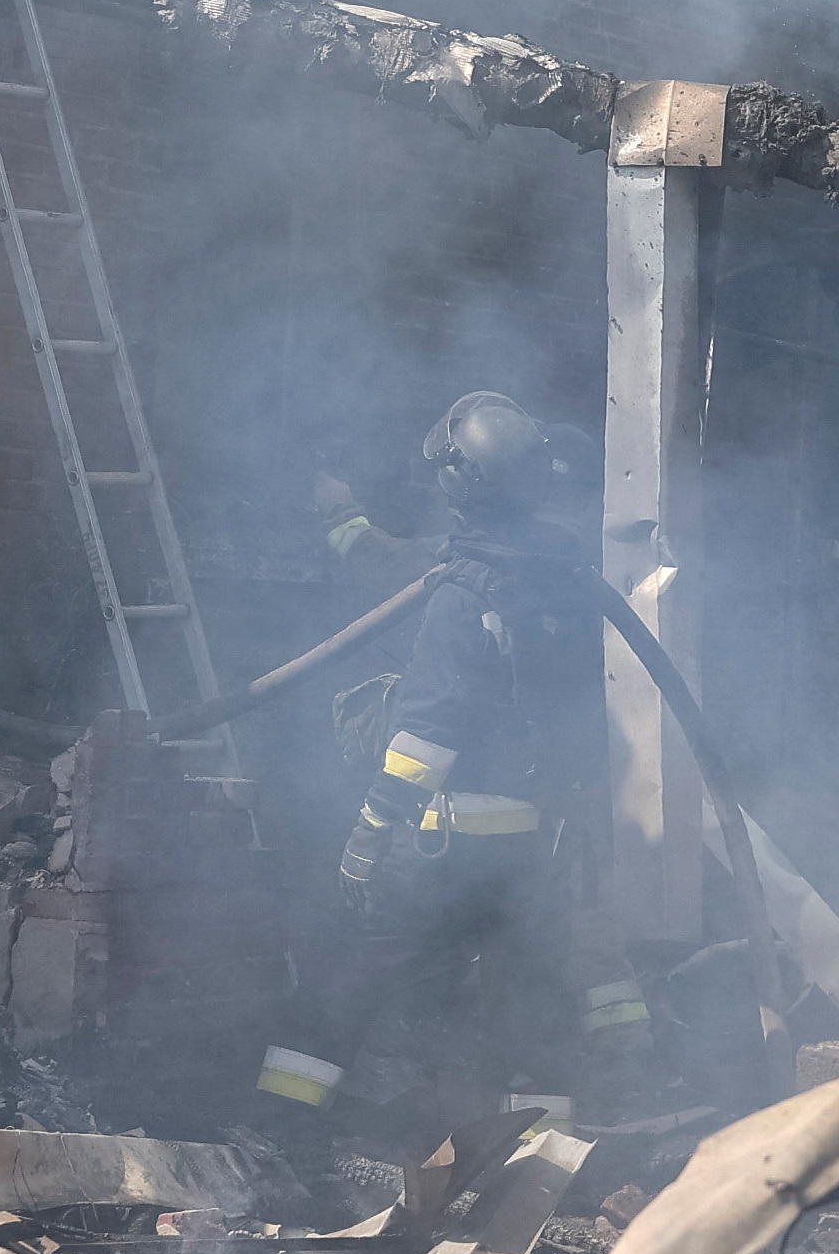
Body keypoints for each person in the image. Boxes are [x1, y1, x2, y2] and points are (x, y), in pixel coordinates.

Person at [262, 392, 657, 1126]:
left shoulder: (462, 591)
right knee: (528, 1001)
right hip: (528, 847)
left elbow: (426, 731)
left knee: (345, 976)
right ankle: (536, 1152)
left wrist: (370, 832)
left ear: (457, 483)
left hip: (439, 846)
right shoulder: (565, 584)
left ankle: (281, 1129)